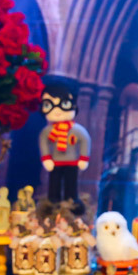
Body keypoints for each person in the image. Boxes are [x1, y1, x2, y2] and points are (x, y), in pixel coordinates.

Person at [38, 81, 90, 211]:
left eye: (64, 104)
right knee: (54, 184)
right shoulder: (48, 131)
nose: (57, 110)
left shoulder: (76, 130)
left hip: (72, 162)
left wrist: (83, 158)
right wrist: (46, 157)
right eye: (48, 105)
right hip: (55, 162)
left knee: (71, 184)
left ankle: (71, 202)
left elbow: (85, 140)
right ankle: (53, 202)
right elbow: (43, 141)